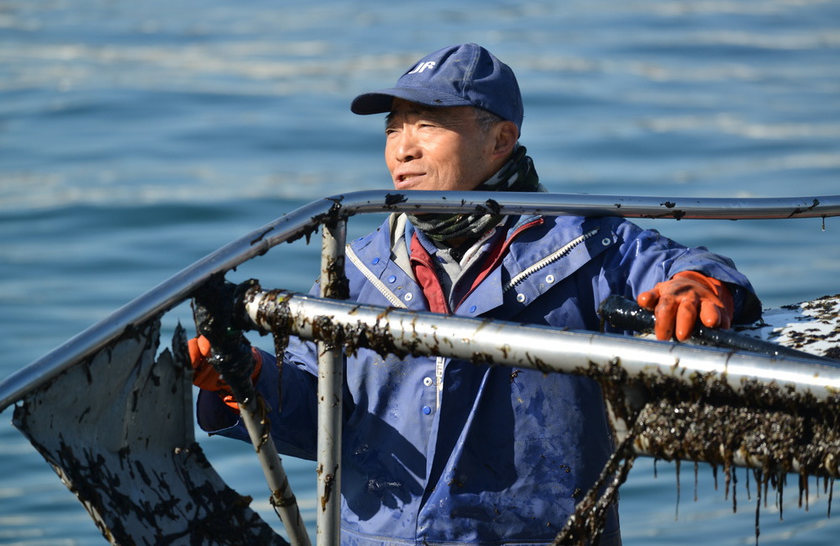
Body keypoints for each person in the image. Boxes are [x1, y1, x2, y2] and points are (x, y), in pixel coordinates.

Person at [190, 43, 761, 545]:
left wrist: (698, 285)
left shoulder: (586, 242)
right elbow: (319, 420)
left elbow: (690, 265)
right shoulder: (353, 263)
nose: (402, 149)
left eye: (427, 125)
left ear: (501, 140)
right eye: (393, 128)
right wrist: (246, 377)